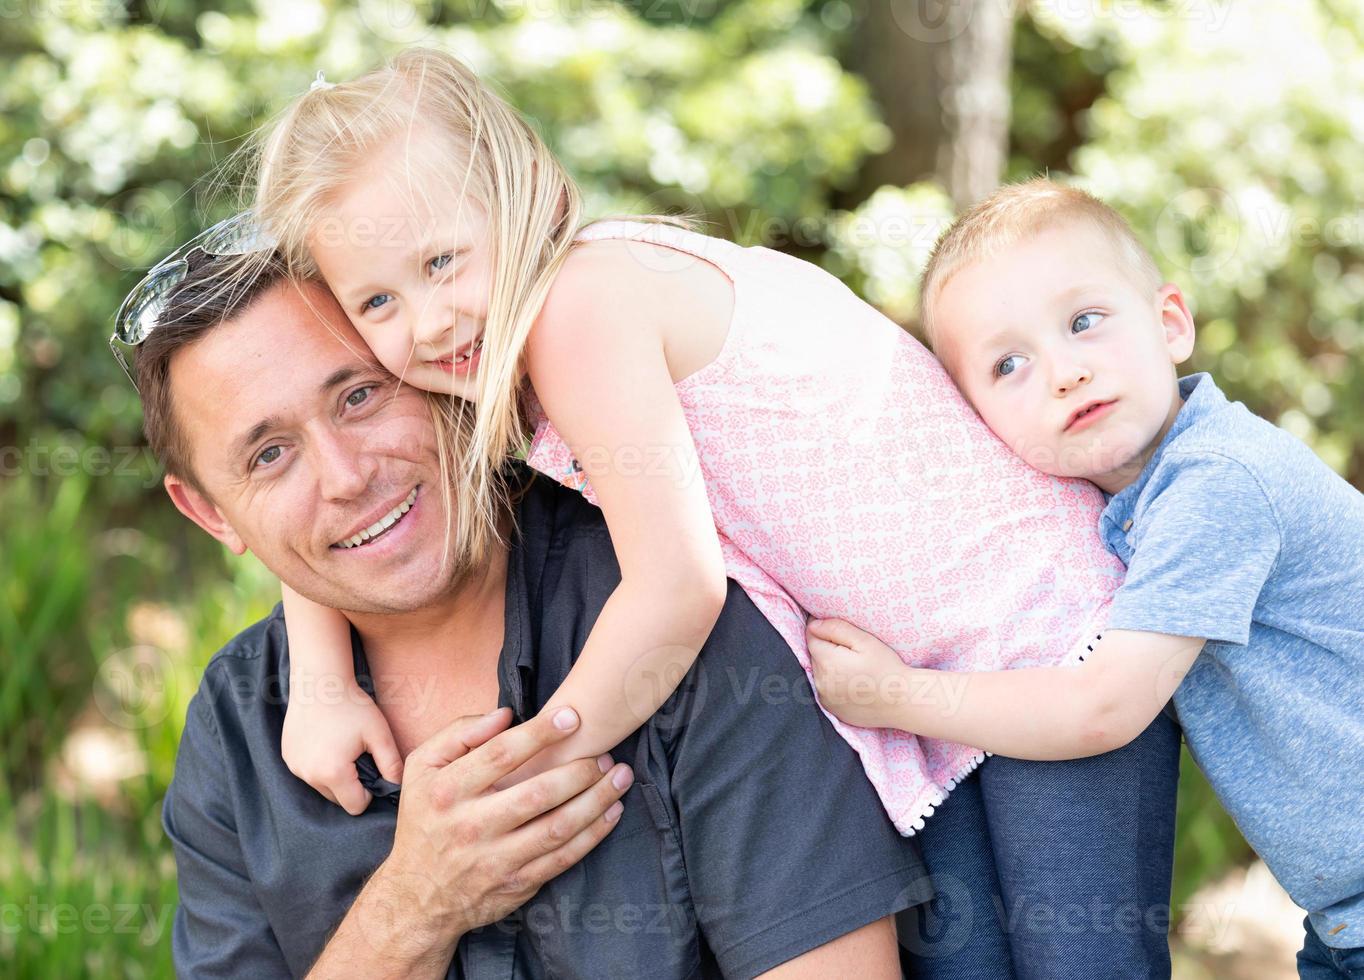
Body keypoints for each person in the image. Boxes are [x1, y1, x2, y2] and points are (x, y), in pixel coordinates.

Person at [246, 48, 1180, 976]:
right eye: (377, 301)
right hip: (937, 687)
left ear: (520, 191)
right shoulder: (493, 348)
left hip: (1047, 638)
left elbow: (675, 589)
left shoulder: (580, 308)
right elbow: (359, 499)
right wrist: (324, 677)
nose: (428, 321)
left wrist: (535, 762)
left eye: (441, 261)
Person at [131, 243, 943, 978]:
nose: (346, 476)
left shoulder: (675, 609)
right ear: (211, 517)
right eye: (270, 456)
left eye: (359, 397)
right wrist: (414, 908)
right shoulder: (237, 731)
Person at [808, 177, 1364, 978]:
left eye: (1084, 322)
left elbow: (1103, 707)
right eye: (1008, 364)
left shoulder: (1220, 482)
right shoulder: (1127, 509)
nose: (1063, 371)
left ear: (1170, 324)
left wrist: (891, 695)